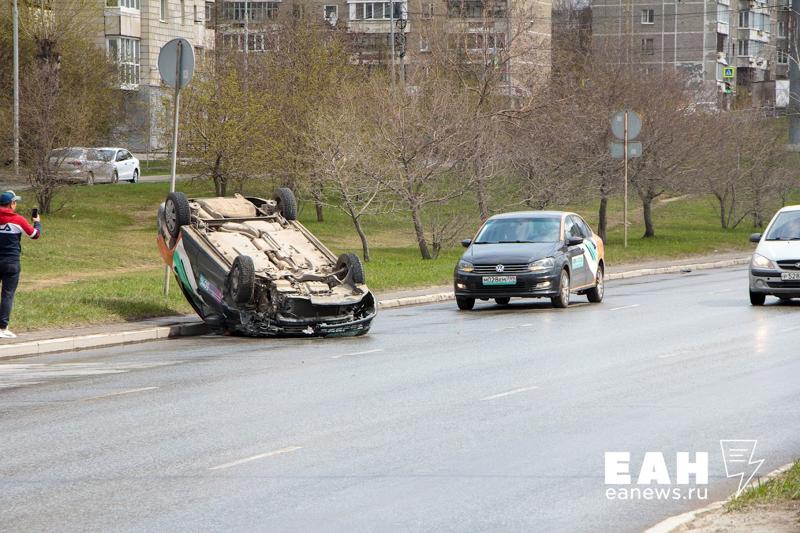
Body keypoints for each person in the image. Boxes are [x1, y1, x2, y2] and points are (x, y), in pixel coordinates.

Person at [0, 191, 41, 339]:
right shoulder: (18, 220)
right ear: (11, 204)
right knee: (7, 294)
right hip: (11, 262)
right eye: (15, 202)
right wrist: (37, 222)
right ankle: (3, 328)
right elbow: (35, 235)